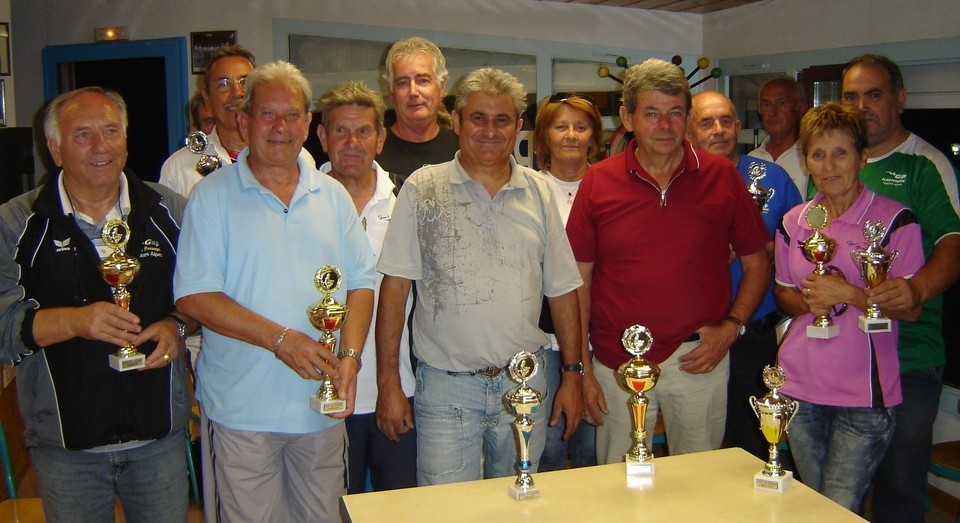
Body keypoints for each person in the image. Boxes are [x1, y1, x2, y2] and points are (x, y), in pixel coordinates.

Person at [175, 61, 375, 521]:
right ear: (245, 120)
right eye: (267, 114)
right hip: (241, 412)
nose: (280, 127)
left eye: (292, 115)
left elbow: (361, 282)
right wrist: (281, 340)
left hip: (320, 409)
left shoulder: (332, 196)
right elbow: (195, 296)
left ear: (307, 124)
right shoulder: (212, 196)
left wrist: (350, 358)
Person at [376, 68, 584, 486]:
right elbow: (394, 291)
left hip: (525, 384)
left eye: (501, 120)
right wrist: (388, 384)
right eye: (478, 118)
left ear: (518, 127)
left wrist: (573, 375)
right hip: (446, 389)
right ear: (456, 121)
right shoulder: (422, 188)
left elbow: (562, 291)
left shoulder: (539, 192)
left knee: (519, 505)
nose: (490, 131)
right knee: (447, 510)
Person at [0, 87, 197, 522]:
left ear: (126, 140)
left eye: (111, 131)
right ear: (55, 149)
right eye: (83, 134)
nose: (101, 146)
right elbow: (3, 328)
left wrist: (177, 325)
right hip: (65, 449)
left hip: (158, 442)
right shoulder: (15, 223)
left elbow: (202, 298)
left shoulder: (171, 211)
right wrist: (75, 322)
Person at [565, 59, 771, 463]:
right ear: (627, 118)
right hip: (616, 363)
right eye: (651, 114)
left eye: (675, 113)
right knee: (619, 480)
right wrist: (582, 368)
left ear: (687, 118)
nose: (664, 125)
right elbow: (579, 281)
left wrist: (731, 328)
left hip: (699, 359)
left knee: (697, 481)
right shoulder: (599, 181)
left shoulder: (721, 177)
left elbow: (757, 263)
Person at [773, 102, 924, 513]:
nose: (829, 166)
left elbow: (910, 310)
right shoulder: (794, 222)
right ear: (806, 161)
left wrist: (849, 295)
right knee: (814, 504)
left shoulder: (895, 221)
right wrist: (811, 300)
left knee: (839, 508)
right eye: (817, 154)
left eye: (841, 152)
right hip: (800, 386)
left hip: (863, 393)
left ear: (862, 157)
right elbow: (784, 294)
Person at [838, 54, 960, 523]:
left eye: (873, 94)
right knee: (840, 489)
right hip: (842, 358)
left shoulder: (924, 164)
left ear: (900, 99)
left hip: (908, 357)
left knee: (899, 491)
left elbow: (953, 242)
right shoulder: (834, 161)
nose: (861, 106)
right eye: (851, 96)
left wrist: (917, 288)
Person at [687, 91, 802, 460]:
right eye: (706, 122)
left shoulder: (772, 179)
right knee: (698, 448)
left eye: (726, 121)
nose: (718, 130)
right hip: (694, 337)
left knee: (751, 443)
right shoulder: (678, 180)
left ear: (738, 126)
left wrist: (762, 248)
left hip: (753, 333)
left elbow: (805, 250)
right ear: (689, 131)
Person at [317, 80, 418, 493]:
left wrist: (393, 387)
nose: (352, 142)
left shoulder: (407, 200)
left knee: (400, 510)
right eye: (340, 131)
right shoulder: (301, 202)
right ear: (322, 136)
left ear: (380, 138)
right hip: (318, 394)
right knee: (332, 509)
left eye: (363, 131)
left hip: (395, 389)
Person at [531, 92, 603, 471]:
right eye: (560, 127)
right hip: (544, 341)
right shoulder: (529, 189)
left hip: (600, 342)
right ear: (544, 136)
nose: (571, 135)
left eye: (581, 126)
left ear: (594, 136)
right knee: (549, 450)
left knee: (594, 449)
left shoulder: (610, 186)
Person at [159, 44, 315, 199]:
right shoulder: (178, 168)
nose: (237, 92)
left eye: (244, 82)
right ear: (207, 99)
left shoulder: (300, 158)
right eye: (223, 84)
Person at [376, 36, 459, 177]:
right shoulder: (374, 154)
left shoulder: (462, 151)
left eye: (423, 80)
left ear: (442, 86)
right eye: (403, 82)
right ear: (391, 92)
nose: (413, 92)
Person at [749, 76, 809, 195]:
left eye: (781, 103)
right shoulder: (752, 159)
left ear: (801, 108)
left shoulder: (811, 157)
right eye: (766, 104)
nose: (772, 112)